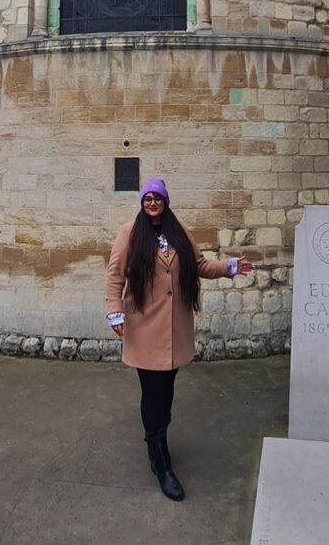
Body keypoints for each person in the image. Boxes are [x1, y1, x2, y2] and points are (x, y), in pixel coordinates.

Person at [104, 177, 253, 501]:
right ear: (142, 202)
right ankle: (160, 459)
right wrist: (114, 311)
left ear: (165, 201)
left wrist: (229, 266)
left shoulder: (177, 232)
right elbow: (115, 275)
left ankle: (158, 434)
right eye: (147, 198)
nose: (152, 202)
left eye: (157, 197)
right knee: (153, 393)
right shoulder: (130, 232)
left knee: (167, 392)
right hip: (143, 326)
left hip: (174, 329)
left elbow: (199, 265)